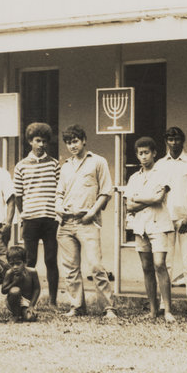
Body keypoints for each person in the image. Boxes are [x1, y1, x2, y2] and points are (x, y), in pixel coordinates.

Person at [55, 125, 116, 319]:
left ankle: (109, 307)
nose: (72, 146)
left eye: (75, 141)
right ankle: (77, 306)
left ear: (83, 141)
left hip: (87, 221)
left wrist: (92, 212)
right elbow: (59, 193)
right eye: (68, 142)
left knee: (96, 266)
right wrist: (58, 207)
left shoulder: (98, 161)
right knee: (70, 268)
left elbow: (106, 191)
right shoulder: (65, 166)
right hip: (66, 222)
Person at [153, 126, 187, 316]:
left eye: (177, 140)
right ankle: (164, 306)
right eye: (170, 139)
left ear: (183, 141)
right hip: (165, 219)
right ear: (166, 141)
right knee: (165, 264)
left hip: (185, 220)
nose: (174, 143)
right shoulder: (159, 164)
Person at [125, 137, 175, 322]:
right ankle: (153, 311)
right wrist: (145, 199)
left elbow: (158, 199)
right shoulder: (134, 177)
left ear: (154, 153)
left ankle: (167, 310)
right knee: (146, 267)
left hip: (158, 224)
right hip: (140, 226)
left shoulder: (162, 174)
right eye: (140, 153)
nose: (144, 157)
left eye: (147, 152)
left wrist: (139, 199)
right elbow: (128, 205)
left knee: (159, 264)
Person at [13, 122, 60, 307]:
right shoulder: (21, 166)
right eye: (37, 141)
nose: (41, 145)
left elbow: (59, 191)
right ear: (30, 142)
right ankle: (27, 300)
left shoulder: (54, 164)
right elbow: (18, 195)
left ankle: (53, 301)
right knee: (30, 261)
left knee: (50, 259)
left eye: (44, 141)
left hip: (50, 218)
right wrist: (24, 214)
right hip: (31, 218)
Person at [1, 244, 40, 322]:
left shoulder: (32, 272)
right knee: (15, 290)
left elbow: (37, 289)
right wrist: (14, 282)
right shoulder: (9, 273)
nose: (15, 267)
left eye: (18, 264)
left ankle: (22, 313)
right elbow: (3, 290)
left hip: (27, 302)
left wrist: (31, 306)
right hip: (13, 301)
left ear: (25, 262)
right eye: (12, 264)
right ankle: (16, 315)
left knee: (30, 318)